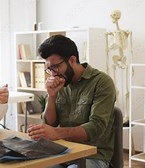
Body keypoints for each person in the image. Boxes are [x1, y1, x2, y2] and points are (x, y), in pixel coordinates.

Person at [27, 35, 116, 168]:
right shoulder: (60, 83)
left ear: (72, 60)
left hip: (93, 156)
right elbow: (50, 123)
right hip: (61, 152)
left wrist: (56, 133)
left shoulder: (102, 82)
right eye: (49, 69)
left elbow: (96, 127)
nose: (53, 74)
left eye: (55, 67)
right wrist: (51, 96)